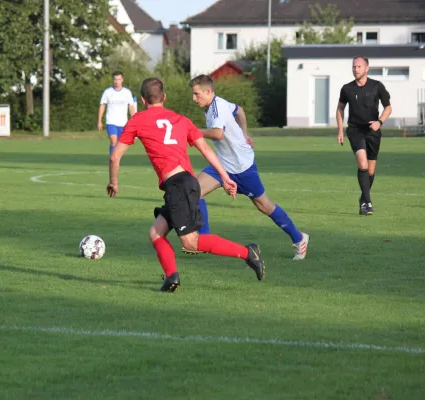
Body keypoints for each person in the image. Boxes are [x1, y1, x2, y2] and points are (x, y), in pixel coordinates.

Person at [107, 77, 265, 292]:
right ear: (164, 97)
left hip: (178, 187)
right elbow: (207, 150)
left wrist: (113, 182)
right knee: (156, 233)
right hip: (186, 183)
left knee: (191, 243)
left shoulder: (137, 120)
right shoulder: (181, 119)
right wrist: (225, 177)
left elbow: (114, 157)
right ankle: (171, 277)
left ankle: (248, 253)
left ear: (143, 99)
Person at [187, 75, 309, 260]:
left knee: (264, 206)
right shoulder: (216, 104)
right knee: (194, 191)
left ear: (208, 91)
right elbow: (240, 110)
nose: (194, 99)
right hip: (222, 164)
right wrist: (244, 134)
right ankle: (205, 240)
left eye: (197, 94)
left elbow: (218, 134)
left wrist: (193, 132)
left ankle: (299, 238)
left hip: (241, 167)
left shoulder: (218, 107)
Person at [336, 56, 392, 215]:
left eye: (359, 66)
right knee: (362, 164)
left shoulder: (377, 86)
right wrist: (340, 130)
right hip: (355, 130)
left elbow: (388, 107)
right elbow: (340, 109)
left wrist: (379, 122)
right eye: (354, 67)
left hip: (373, 131)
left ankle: (363, 198)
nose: (356, 69)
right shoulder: (347, 89)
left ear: (366, 68)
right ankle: (367, 202)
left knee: (371, 171)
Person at [97, 71, 136, 155]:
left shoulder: (127, 92)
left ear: (122, 80)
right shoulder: (107, 92)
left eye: (119, 79)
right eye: (115, 79)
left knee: (120, 144)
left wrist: (134, 119)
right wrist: (99, 121)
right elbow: (102, 105)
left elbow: (131, 106)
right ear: (113, 80)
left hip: (123, 123)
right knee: (113, 141)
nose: (117, 81)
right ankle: (112, 159)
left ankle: (116, 159)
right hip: (111, 122)